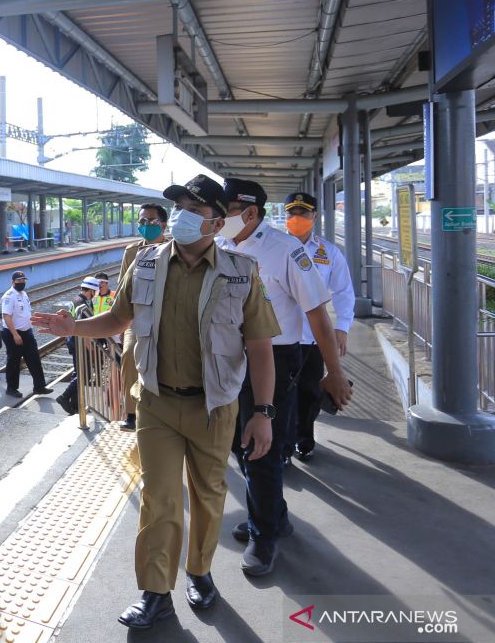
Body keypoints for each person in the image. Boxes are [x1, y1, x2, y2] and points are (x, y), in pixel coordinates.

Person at [32, 174, 280, 630]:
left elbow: (261, 347)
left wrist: (262, 413)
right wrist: (73, 329)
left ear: (215, 222)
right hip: (156, 404)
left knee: (209, 495)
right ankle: (155, 592)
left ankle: (201, 573)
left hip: (215, 406)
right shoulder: (145, 264)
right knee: (159, 497)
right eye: (179, 206)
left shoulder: (241, 272)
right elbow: (117, 319)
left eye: (193, 209)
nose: (182, 216)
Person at [218, 178, 354, 576]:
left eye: (224, 210)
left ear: (250, 212)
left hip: (276, 357)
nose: (217, 218)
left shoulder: (286, 251)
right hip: (232, 357)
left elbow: (319, 317)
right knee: (234, 442)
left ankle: (265, 534)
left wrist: (335, 372)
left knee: (260, 447)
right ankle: (273, 513)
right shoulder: (224, 246)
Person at [282, 192, 354, 462]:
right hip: (279, 337)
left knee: (309, 392)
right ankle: (284, 447)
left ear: (315, 216)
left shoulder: (328, 252)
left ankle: (305, 440)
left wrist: (343, 327)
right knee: (281, 394)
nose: (296, 219)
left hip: (314, 339)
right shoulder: (275, 247)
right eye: (291, 213)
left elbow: (344, 292)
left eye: (303, 213)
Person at [116, 204, 169, 429]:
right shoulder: (132, 251)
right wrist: (119, 325)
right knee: (129, 355)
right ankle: (131, 413)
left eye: (150, 221)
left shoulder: (174, 249)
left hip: (166, 319)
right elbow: (122, 289)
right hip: (136, 318)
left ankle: (162, 412)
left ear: (163, 224)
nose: (145, 226)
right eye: (141, 222)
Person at [0, 271, 52, 400]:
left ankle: (39, 386)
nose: (21, 283)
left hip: (27, 332)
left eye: (23, 280)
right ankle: (11, 388)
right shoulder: (9, 296)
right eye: (19, 281)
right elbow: (6, 316)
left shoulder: (23, 294)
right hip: (14, 333)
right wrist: (15, 334)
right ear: (12, 282)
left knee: (34, 359)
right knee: (14, 361)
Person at [57, 276, 100, 415]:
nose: (96, 294)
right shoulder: (82, 305)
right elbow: (84, 330)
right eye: (95, 291)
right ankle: (64, 397)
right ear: (91, 290)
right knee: (84, 374)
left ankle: (75, 405)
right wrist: (91, 347)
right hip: (79, 342)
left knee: (78, 372)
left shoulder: (76, 299)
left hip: (73, 340)